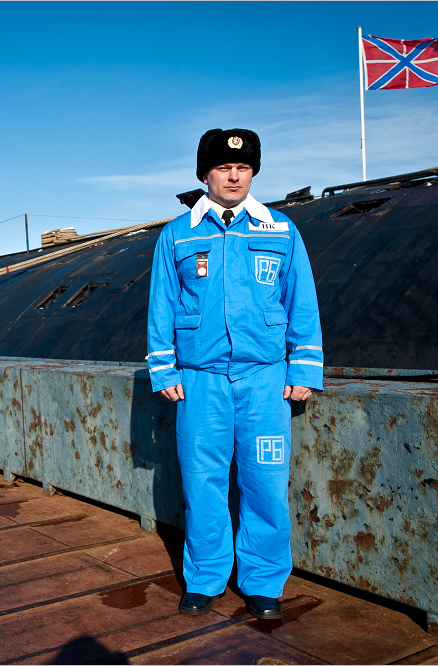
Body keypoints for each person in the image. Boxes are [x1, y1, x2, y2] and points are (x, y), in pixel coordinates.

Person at [146, 128, 323, 619]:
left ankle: (264, 582)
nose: (233, 176)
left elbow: (300, 302)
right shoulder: (178, 234)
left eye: (242, 168)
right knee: (202, 482)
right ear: (205, 174)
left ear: (252, 173)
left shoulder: (281, 230)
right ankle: (205, 577)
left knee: (265, 482)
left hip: (265, 380)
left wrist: (304, 367)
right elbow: (162, 305)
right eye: (223, 168)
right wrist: (165, 370)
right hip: (201, 380)